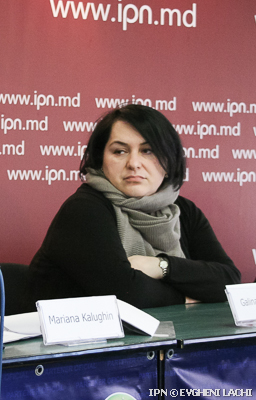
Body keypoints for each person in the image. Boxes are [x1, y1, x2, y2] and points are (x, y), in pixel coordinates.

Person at [26, 104, 240, 309]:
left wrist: (161, 266)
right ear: (100, 160)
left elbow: (229, 280)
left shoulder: (184, 211)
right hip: (72, 334)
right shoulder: (84, 209)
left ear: (169, 161)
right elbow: (125, 292)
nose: (134, 163)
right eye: (120, 151)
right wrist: (185, 296)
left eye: (148, 151)